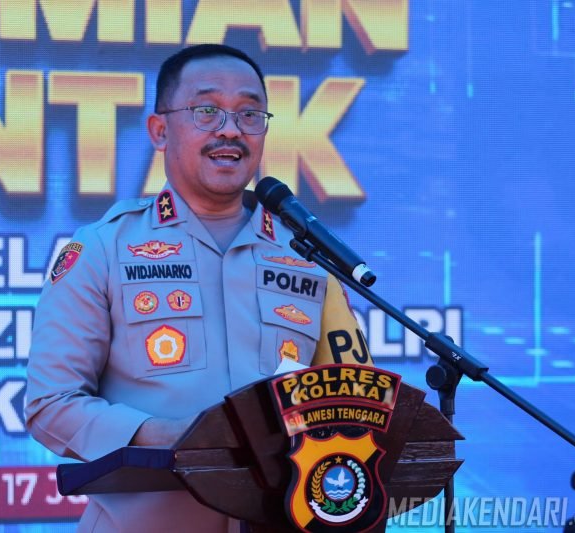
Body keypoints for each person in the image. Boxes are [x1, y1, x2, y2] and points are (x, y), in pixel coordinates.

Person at [25, 44, 373, 532]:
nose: (230, 129)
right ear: (159, 130)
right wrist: (168, 435)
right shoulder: (103, 248)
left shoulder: (309, 260)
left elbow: (358, 401)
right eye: (206, 111)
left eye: (249, 113)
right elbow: (51, 404)